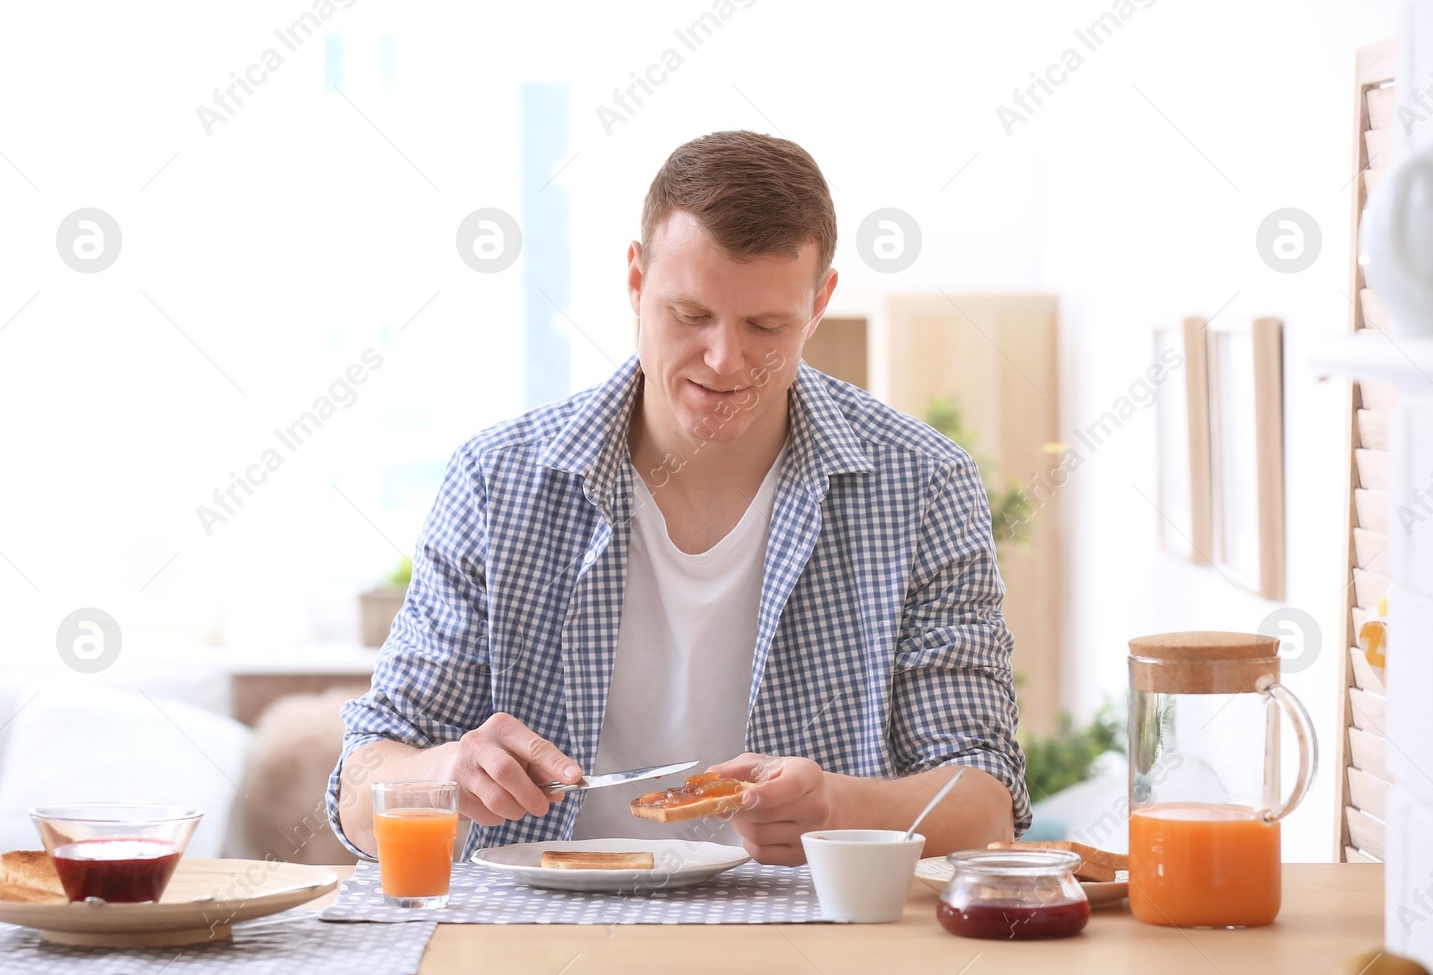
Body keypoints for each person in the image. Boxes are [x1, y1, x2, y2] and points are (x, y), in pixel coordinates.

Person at [327, 130, 1030, 865]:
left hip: (808, 942)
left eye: (766, 325)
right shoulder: (495, 481)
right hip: (537, 939)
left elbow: (985, 805)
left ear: (819, 302)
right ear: (636, 280)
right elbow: (360, 785)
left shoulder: (922, 484)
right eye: (690, 315)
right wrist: (445, 774)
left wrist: (839, 808)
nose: (725, 360)